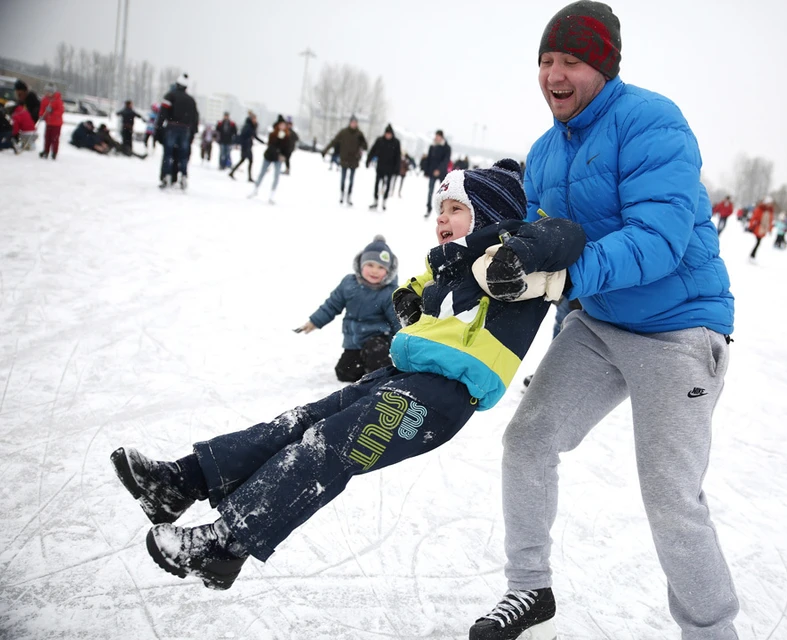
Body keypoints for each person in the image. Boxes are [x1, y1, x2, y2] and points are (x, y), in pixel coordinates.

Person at [108, 159, 585, 593]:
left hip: (443, 397)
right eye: (439, 209)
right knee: (300, 422)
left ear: (488, 214)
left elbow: (567, 235)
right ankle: (179, 482)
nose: (441, 218)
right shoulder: (445, 263)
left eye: (455, 208)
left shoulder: (520, 258)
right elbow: (420, 286)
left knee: (327, 447)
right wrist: (410, 299)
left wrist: (519, 251)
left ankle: (224, 546)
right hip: (400, 376)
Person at [468, 4, 738, 639]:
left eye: (572, 61)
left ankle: (711, 631)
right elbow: (546, 248)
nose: (555, 74)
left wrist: (563, 277)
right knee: (528, 441)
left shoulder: (652, 121)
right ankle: (528, 589)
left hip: (679, 329)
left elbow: (659, 238)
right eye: (546, 60)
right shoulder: (543, 152)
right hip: (598, 325)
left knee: (672, 498)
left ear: (605, 66)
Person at [295, 235, 401, 382]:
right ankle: (367, 371)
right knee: (344, 373)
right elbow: (332, 305)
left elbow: (396, 320)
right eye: (370, 265)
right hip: (354, 340)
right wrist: (314, 322)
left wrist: (403, 342)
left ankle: (383, 377)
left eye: (381, 267)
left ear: (389, 271)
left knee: (375, 354)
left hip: (378, 339)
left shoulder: (389, 292)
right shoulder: (348, 284)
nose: (374, 271)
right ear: (361, 264)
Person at [157, 74, 199, 189]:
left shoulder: (170, 96)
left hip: (172, 127)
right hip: (185, 129)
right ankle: (183, 175)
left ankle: (166, 175)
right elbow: (195, 117)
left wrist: (159, 127)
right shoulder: (191, 101)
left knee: (168, 153)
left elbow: (162, 113)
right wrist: (193, 132)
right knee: (183, 155)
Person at [321, 116, 367, 205]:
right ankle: (342, 194)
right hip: (344, 159)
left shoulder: (359, 134)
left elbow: (365, 147)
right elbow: (334, 141)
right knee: (343, 179)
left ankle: (349, 196)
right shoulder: (344, 132)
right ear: (350, 123)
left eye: (355, 123)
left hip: (354, 160)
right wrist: (325, 150)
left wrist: (363, 141)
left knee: (351, 180)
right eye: (352, 122)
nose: (354, 124)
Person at [248, 119, 294, 204]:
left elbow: (288, 149)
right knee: (262, 173)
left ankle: (272, 195)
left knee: (276, 176)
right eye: (281, 125)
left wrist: (284, 156)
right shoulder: (273, 134)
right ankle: (255, 189)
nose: (282, 127)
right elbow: (271, 145)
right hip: (269, 156)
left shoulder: (287, 137)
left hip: (278, 158)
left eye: (284, 125)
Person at [366, 124, 402, 211]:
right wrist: (368, 160)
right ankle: (375, 201)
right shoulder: (380, 140)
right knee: (377, 184)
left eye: (389, 134)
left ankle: (384, 202)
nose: (388, 135)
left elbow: (398, 156)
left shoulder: (396, 142)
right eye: (387, 133)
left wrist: (397, 169)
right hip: (380, 167)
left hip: (390, 169)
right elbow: (372, 151)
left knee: (387, 186)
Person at [423, 130, 451, 217]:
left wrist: (439, 170)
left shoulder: (447, 147)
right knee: (430, 191)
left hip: (441, 173)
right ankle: (428, 208)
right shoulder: (432, 146)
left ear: (441, 137)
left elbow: (446, 160)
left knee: (442, 192)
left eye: (438, 136)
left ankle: (443, 210)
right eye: (436, 136)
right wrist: (426, 171)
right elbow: (429, 159)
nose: (436, 138)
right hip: (432, 172)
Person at [230, 112, 264, 182]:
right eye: (254, 119)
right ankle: (248, 177)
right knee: (246, 160)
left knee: (245, 160)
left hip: (248, 146)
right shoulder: (248, 126)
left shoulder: (251, 126)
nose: (255, 120)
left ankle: (234, 173)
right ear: (251, 119)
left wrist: (262, 141)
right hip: (246, 146)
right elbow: (245, 136)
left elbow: (254, 136)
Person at [38, 85, 64, 159]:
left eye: (49, 92)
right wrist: (41, 115)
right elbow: (42, 109)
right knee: (47, 137)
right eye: (46, 91)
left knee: (54, 138)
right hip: (48, 122)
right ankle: (46, 151)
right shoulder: (44, 100)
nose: (47, 93)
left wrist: (52, 111)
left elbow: (60, 111)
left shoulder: (58, 100)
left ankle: (54, 152)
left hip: (56, 123)